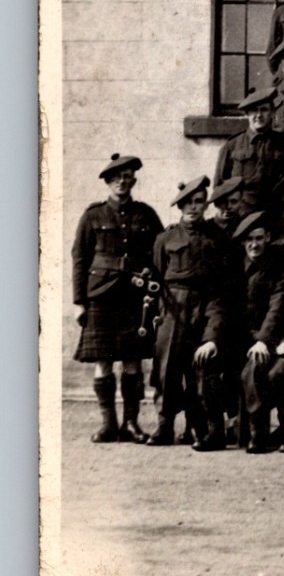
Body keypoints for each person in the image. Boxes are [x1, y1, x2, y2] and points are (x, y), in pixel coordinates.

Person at [72, 153, 164, 443]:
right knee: (103, 362)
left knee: (132, 361)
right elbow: (80, 258)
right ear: (108, 182)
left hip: (134, 297)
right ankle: (108, 424)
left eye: (127, 178)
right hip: (100, 296)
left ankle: (131, 424)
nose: (122, 183)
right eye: (116, 178)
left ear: (133, 181)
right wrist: (79, 302)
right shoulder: (93, 216)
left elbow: (160, 253)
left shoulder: (146, 215)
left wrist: (156, 290)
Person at [149, 177, 231, 449]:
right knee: (167, 368)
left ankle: (201, 428)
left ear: (206, 205)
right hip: (174, 307)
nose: (194, 207)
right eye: (188, 203)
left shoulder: (217, 238)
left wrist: (213, 328)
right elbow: (158, 276)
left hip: (205, 304)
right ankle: (164, 425)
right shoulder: (166, 238)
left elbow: (223, 284)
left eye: (199, 202)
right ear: (180, 206)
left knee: (201, 370)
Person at [232, 211, 284, 453]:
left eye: (259, 238)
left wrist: (265, 340)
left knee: (274, 371)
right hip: (243, 339)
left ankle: (280, 431)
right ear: (243, 242)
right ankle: (254, 431)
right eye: (249, 239)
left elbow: (278, 307)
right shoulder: (234, 268)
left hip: (276, 336)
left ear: (268, 238)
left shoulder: (278, 268)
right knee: (250, 368)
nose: (254, 244)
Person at [214, 87, 284, 217]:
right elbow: (219, 185)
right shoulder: (232, 145)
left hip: (274, 214)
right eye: (254, 110)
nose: (259, 115)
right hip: (241, 215)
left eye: (264, 109)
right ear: (247, 113)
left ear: (272, 112)